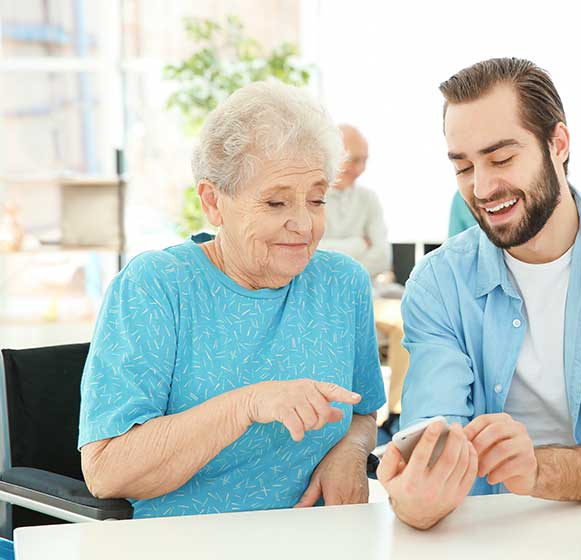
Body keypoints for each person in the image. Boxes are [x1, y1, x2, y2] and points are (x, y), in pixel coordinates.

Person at [377, 58, 581, 530]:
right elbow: (433, 428)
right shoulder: (438, 283)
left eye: (501, 158)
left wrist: (537, 468)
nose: (482, 187)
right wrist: (417, 495)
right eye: (463, 166)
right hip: (492, 525)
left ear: (557, 144)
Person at [78, 81, 386, 518]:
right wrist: (248, 404)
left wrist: (351, 452)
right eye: (276, 202)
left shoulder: (343, 283)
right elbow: (107, 470)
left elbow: (365, 414)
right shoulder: (156, 286)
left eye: (317, 200)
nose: (303, 224)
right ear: (213, 203)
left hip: (314, 538)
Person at [319, 124, 391, 277]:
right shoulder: (310, 198)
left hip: (359, 289)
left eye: (365, 160)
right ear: (332, 156)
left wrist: (345, 278)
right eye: (353, 160)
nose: (359, 169)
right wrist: (359, 245)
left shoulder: (369, 198)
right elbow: (307, 253)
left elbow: (383, 257)